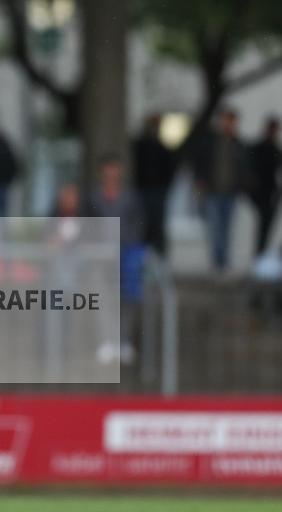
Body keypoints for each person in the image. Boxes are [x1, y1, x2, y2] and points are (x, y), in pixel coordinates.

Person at [88, 155, 145, 366]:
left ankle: (124, 339)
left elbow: (138, 224)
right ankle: (107, 339)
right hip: (102, 254)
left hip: (126, 251)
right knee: (104, 297)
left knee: (128, 297)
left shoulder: (130, 197)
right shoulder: (95, 198)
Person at [192, 108, 248, 273]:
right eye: (226, 120)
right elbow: (199, 163)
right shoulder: (210, 142)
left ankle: (223, 260)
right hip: (212, 191)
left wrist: (241, 186)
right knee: (215, 227)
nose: (228, 124)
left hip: (230, 192)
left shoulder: (238, 144)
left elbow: (243, 168)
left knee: (227, 227)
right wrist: (200, 183)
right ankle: (217, 260)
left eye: (231, 121)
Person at [132, 114, 175, 257]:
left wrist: (164, 187)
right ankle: (143, 253)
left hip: (158, 190)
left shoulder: (162, 148)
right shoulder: (140, 146)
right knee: (143, 222)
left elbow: (169, 170)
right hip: (143, 189)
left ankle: (158, 253)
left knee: (158, 223)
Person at [249, 116, 282, 257]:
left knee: (267, 225)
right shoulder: (260, 148)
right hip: (261, 193)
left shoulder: (277, 148)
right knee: (263, 225)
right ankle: (260, 253)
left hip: (271, 194)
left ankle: (261, 252)